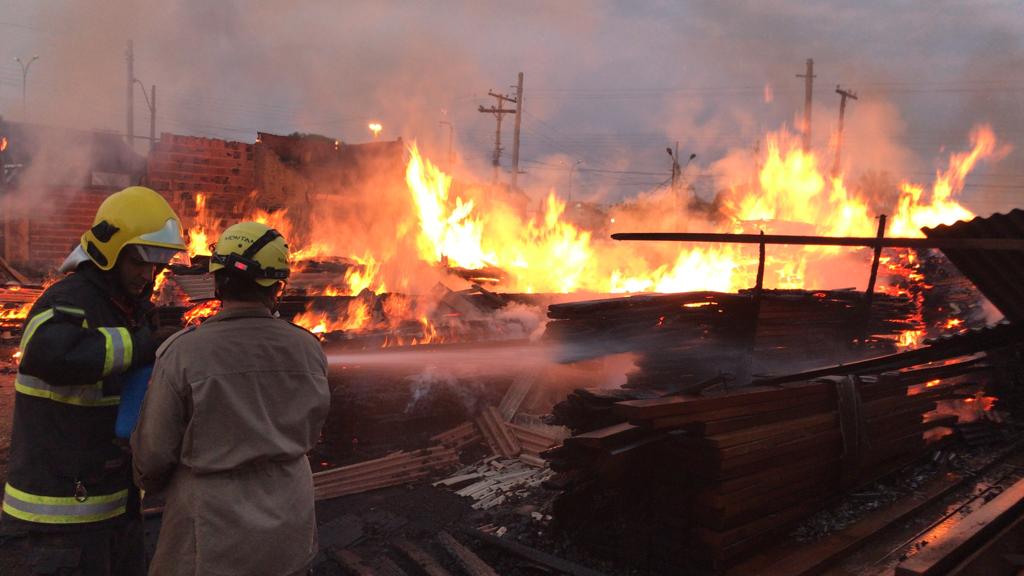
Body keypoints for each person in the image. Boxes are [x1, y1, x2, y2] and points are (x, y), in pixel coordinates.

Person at [2, 186, 188, 575]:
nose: (148, 274)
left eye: (157, 263)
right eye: (139, 261)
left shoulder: (130, 308)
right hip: (57, 518)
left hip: (115, 509)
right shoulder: (68, 300)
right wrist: (142, 345)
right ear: (109, 252)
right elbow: (48, 354)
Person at [131, 221, 331, 576]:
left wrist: (149, 483)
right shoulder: (308, 348)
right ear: (278, 287)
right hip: (290, 529)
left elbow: (153, 454)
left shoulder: (184, 352)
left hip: (212, 532)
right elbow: (313, 431)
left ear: (218, 281)